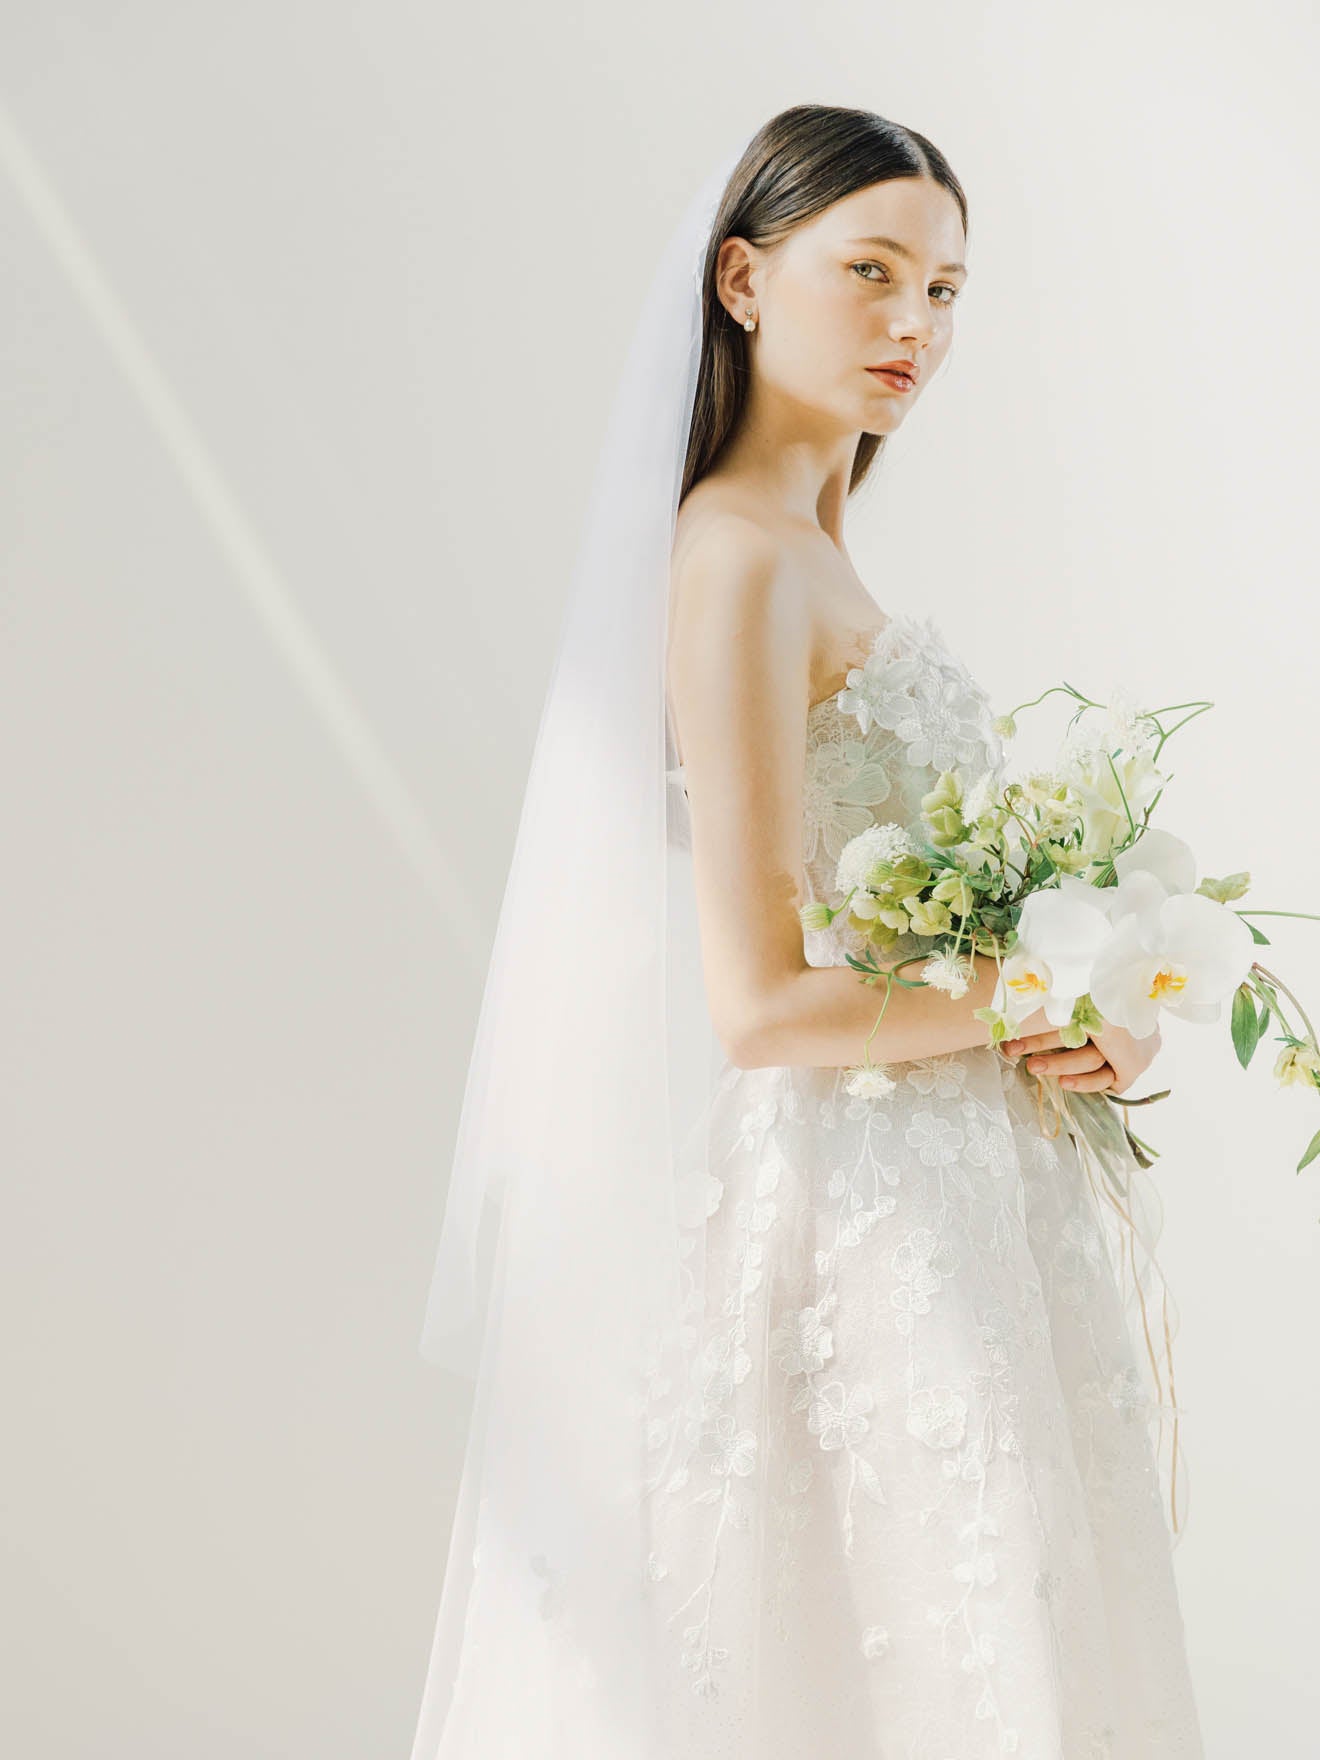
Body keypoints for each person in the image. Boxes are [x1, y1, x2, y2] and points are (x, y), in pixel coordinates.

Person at [409, 104, 1204, 1759]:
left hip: (967, 1202)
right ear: (744, 280)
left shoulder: (824, 557)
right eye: (874, 274)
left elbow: (924, 958)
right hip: (870, 1226)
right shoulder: (739, 559)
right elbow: (761, 999)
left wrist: (1085, 1016)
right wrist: (1020, 989)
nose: (918, 325)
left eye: (948, 291)